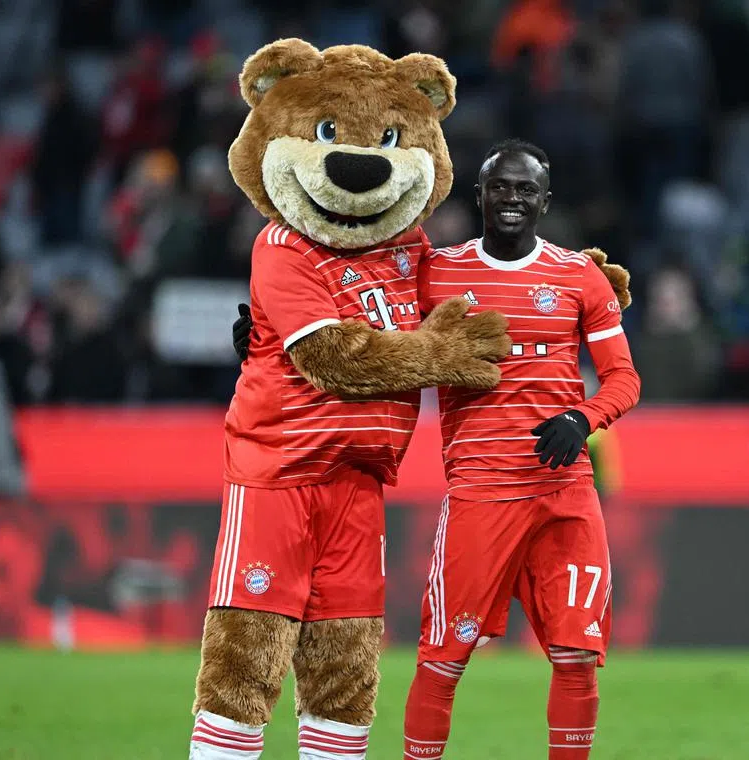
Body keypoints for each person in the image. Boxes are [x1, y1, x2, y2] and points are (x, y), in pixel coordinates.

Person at [233, 139, 640, 759]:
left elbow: (624, 377)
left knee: (578, 655)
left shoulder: (578, 275)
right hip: (481, 493)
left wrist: (583, 419)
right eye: (500, 187)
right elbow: (364, 317)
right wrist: (269, 334)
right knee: (445, 658)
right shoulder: (437, 271)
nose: (512, 199)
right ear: (479, 195)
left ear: (545, 200)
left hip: (566, 492)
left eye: (525, 189)